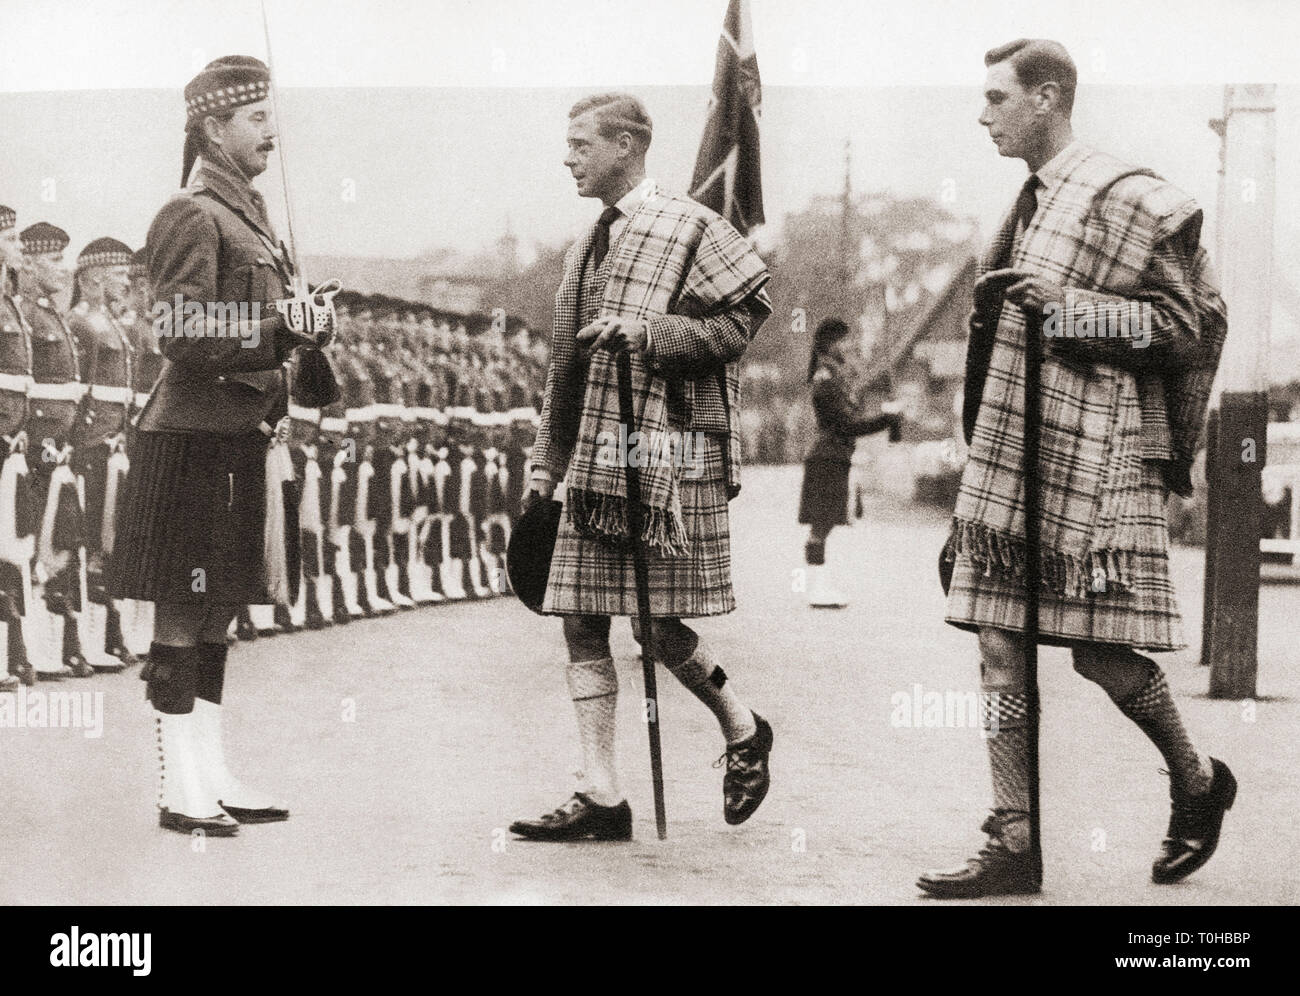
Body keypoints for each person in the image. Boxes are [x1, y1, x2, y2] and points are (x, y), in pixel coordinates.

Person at [917, 39, 1233, 898]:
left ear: (1048, 99)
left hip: (1095, 449)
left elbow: (1184, 326)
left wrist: (1068, 308)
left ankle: (1199, 784)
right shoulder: (1026, 205)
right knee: (996, 638)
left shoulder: (1124, 195)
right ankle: (1014, 839)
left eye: (996, 98)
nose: (982, 115)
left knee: (1098, 651)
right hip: (1014, 454)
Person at [510, 93, 774, 841]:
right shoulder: (583, 245)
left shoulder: (693, 226)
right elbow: (564, 370)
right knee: (581, 621)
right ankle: (601, 795)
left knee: (658, 628)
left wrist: (652, 332)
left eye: (581, 142)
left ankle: (744, 728)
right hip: (592, 461)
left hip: (664, 454)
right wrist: (543, 467)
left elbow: (739, 323)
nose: (568, 157)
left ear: (626, 145)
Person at [107, 55, 333, 836]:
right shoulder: (192, 213)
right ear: (214, 126)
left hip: (239, 440)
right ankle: (179, 787)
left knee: (218, 615)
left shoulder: (249, 216)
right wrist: (277, 330)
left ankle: (211, 771)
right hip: (191, 443)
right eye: (258, 118)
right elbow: (175, 328)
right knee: (182, 612)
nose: (273, 132)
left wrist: (306, 328)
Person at [67, 237, 138, 670]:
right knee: (91, 544)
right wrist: (81, 445)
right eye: (119, 274)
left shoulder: (109, 322)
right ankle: (86, 640)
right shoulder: (84, 323)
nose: (127, 281)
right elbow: (81, 394)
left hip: (113, 447)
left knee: (110, 542)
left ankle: (111, 635)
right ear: (94, 277)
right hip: (92, 448)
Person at [797, 318, 901, 608]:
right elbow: (844, 424)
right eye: (844, 340)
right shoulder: (826, 377)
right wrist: (885, 420)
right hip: (827, 456)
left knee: (826, 523)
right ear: (830, 343)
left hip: (834, 456)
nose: (849, 345)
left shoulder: (834, 374)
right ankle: (816, 587)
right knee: (822, 524)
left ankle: (818, 585)